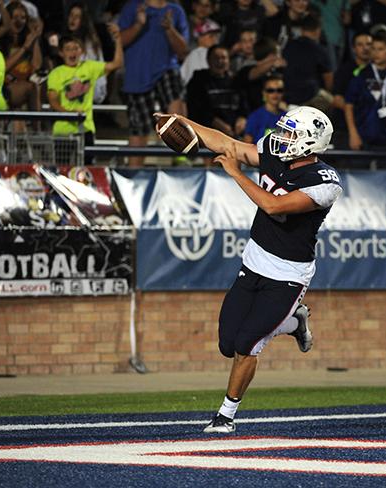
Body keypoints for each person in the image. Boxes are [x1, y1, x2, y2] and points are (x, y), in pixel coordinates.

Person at [155, 106, 341, 433]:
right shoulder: (275, 152)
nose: (282, 138)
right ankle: (292, 321)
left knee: (247, 345)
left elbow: (274, 205)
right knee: (227, 343)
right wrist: (186, 123)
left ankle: (225, 416)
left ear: (311, 143)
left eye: (292, 134)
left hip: (288, 273)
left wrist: (236, 173)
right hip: (254, 260)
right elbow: (229, 144)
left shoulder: (325, 182)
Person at [118, 0, 189, 167]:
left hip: (166, 69)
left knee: (177, 106)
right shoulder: (132, 8)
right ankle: (133, 177)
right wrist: (138, 24)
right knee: (139, 131)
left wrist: (169, 29)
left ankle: (179, 156)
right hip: (137, 76)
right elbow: (119, 41)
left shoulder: (176, 11)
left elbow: (182, 50)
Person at [47, 29, 123, 164]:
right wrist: (71, 114)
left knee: (87, 170)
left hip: (86, 130)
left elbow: (117, 64)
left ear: (81, 51)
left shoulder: (90, 67)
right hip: (63, 131)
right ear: (61, 53)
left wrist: (118, 39)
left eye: (75, 48)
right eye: (68, 49)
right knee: (62, 172)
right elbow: (53, 101)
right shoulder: (55, 74)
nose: (72, 52)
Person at [345, 30, 386, 151]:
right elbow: (349, 105)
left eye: (381, 49)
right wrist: (353, 133)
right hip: (363, 133)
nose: (376, 53)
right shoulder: (361, 74)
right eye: (373, 49)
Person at [185, 44, 247, 139]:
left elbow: (244, 106)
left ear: (229, 61)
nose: (220, 61)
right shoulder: (198, 80)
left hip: (234, 135)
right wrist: (218, 124)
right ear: (208, 61)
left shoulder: (236, 82)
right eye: (216, 58)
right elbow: (198, 109)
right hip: (205, 136)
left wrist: (242, 118)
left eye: (224, 58)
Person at [281, 13, 333, 113]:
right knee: (334, 102)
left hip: (287, 97)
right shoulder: (320, 50)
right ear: (318, 30)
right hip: (310, 97)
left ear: (301, 29)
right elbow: (329, 79)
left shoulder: (288, 46)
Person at [243, 74, 286, 142]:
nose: (275, 94)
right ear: (264, 93)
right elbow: (247, 143)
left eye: (279, 90)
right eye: (270, 90)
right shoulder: (255, 117)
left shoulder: (287, 117)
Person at [179, 17, 221, 86]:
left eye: (216, 36)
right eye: (211, 36)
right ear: (200, 38)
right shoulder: (197, 54)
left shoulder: (209, 52)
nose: (215, 39)